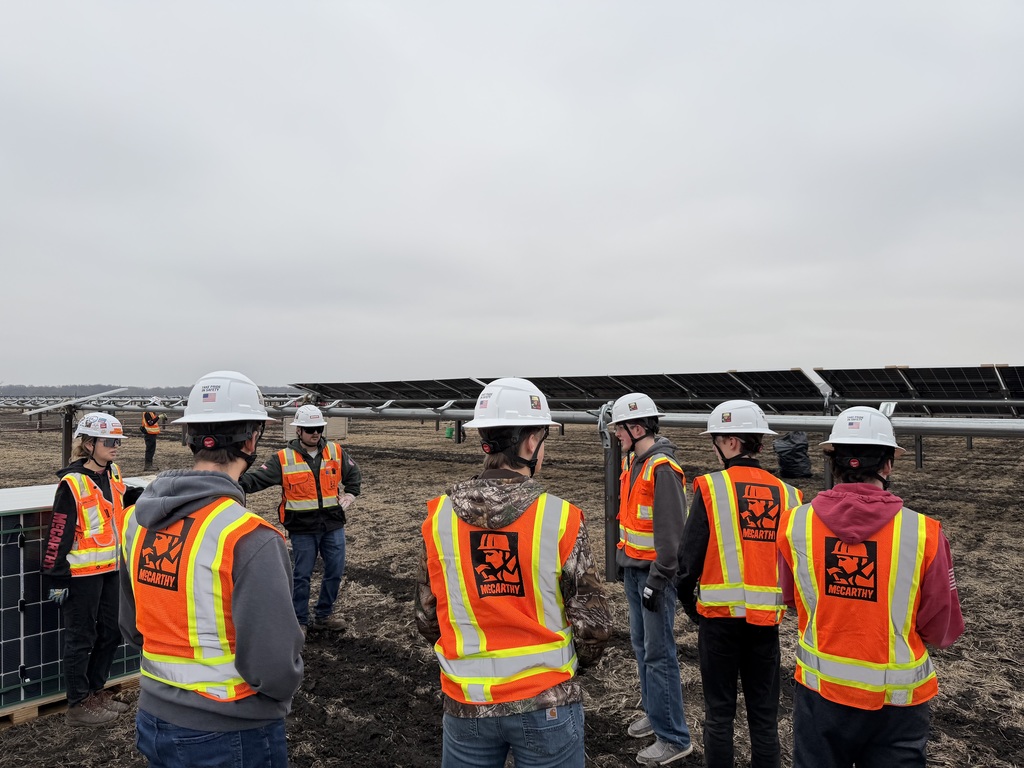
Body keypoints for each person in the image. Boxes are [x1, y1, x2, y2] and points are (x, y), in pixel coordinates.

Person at [415, 377, 613, 768]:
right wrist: (572, 668)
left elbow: (426, 618)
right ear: (529, 442)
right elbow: (594, 627)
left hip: (466, 705)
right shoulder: (561, 517)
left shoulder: (438, 519)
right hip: (546, 705)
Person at [119, 370, 304, 768]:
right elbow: (273, 666)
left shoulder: (135, 521)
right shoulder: (249, 536)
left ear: (189, 437)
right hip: (230, 730)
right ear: (252, 440)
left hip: (153, 718)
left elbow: (132, 627)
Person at [777, 406, 965, 768]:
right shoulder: (924, 532)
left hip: (820, 694)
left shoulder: (794, 523)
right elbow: (942, 630)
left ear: (833, 462)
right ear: (888, 465)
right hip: (896, 705)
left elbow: (790, 598)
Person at [676, 400, 803, 768]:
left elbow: (688, 562)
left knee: (719, 716)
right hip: (766, 625)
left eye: (716, 440)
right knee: (765, 720)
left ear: (730, 442)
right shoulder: (789, 495)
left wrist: (691, 606)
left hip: (718, 622)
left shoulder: (712, 488)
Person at [608, 393, 693, 765]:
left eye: (619, 427)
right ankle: (656, 714)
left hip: (653, 576)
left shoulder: (660, 468)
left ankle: (674, 737)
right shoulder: (637, 463)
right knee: (643, 648)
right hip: (634, 570)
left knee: (659, 655)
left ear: (637, 427)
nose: (615, 434)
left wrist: (657, 581)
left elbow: (672, 538)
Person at [41, 411, 137, 727]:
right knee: (80, 637)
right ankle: (78, 706)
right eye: (109, 441)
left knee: (111, 631)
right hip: (80, 575)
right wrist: (55, 577)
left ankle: (96, 692)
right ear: (89, 443)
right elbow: (58, 532)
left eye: (118, 441)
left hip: (111, 568)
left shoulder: (115, 474)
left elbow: (121, 507)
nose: (116, 447)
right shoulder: (72, 482)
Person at [240, 404, 361, 635]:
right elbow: (256, 480)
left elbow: (353, 474)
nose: (315, 433)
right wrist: (231, 481)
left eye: (318, 428)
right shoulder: (282, 458)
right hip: (302, 528)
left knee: (335, 570)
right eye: (309, 429)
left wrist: (351, 493)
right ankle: (299, 620)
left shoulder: (335, 451)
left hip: (333, 523)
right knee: (302, 575)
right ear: (298, 431)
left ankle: (323, 615)